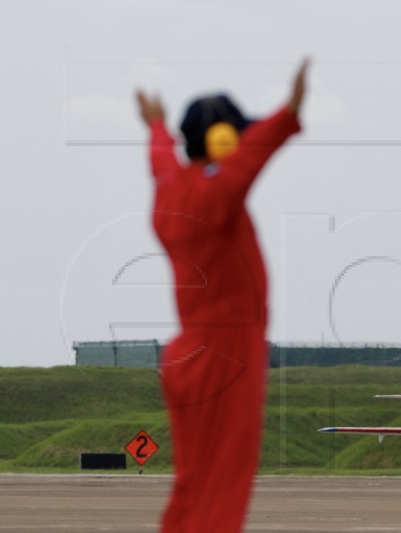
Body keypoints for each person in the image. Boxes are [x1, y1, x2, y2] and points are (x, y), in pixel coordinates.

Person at [137, 58, 308, 532]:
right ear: (221, 142)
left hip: (193, 352)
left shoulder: (172, 190)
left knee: (196, 483)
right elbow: (251, 157)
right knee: (223, 485)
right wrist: (288, 111)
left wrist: (155, 125)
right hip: (226, 351)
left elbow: (162, 162)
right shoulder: (213, 197)